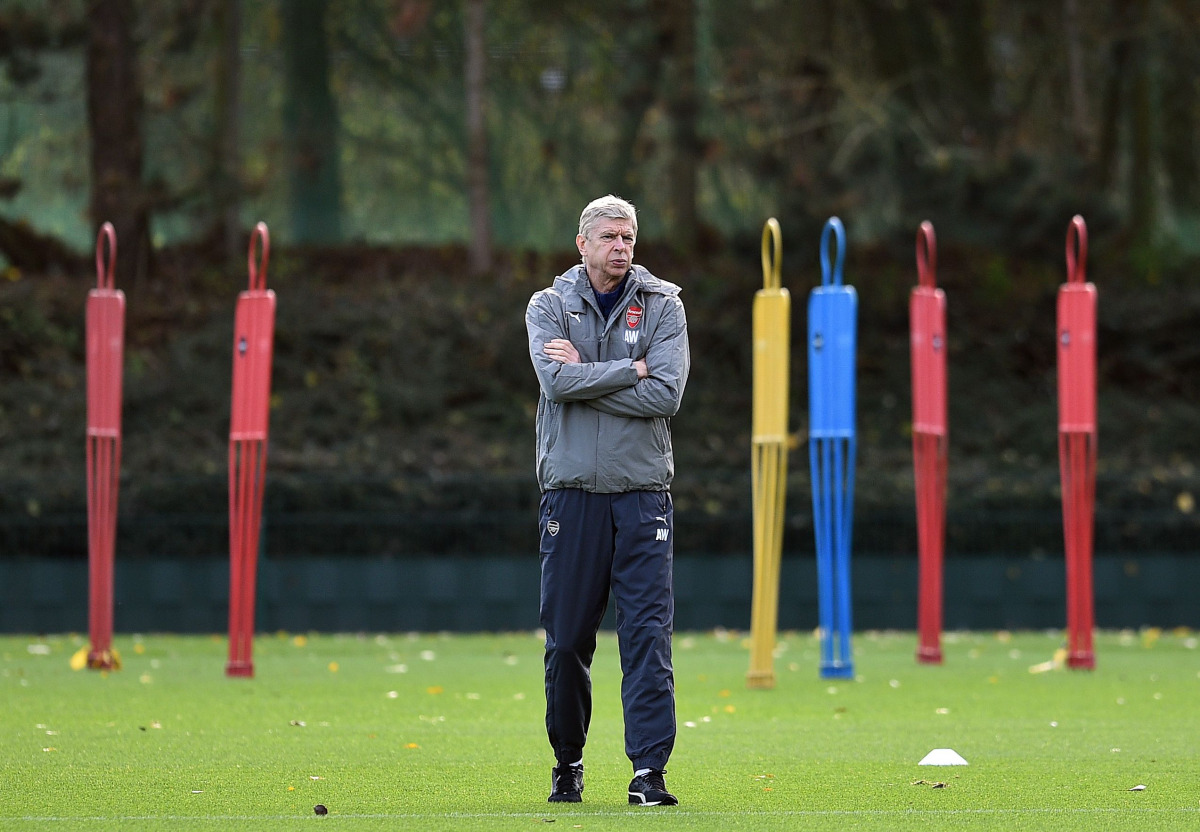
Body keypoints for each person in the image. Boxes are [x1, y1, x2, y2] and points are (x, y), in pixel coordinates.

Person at [525, 194, 690, 807]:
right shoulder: (548, 306)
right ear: (583, 243)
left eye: (629, 237)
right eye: (610, 237)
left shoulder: (663, 305)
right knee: (567, 640)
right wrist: (628, 368)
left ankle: (649, 773)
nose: (621, 247)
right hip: (571, 499)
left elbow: (666, 395)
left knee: (647, 636)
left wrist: (589, 376)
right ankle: (567, 761)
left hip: (644, 497)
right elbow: (555, 382)